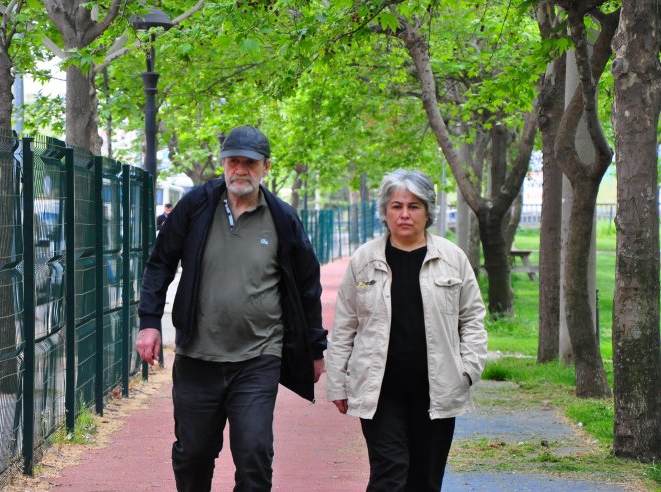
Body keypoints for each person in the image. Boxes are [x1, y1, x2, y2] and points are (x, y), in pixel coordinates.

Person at [136, 125, 327, 492]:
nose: (240, 170)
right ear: (223, 164)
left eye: (250, 163)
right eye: (233, 161)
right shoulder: (196, 206)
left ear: (266, 167)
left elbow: (307, 286)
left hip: (258, 356)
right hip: (197, 354)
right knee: (193, 453)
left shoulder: (283, 219)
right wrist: (149, 322)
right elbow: (160, 262)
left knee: (254, 452)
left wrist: (315, 348)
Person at [325, 169, 487, 492]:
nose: (404, 214)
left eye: (414, 206)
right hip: (380, 391)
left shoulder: (452, 259)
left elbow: (473, 319)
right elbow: (344, 325)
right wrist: (338, 384)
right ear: (384, 211)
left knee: (425, 480)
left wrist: (467, 370)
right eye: (396, 206)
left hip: (437, 389)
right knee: (389, 473)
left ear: (428, 211)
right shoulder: (364, 261)